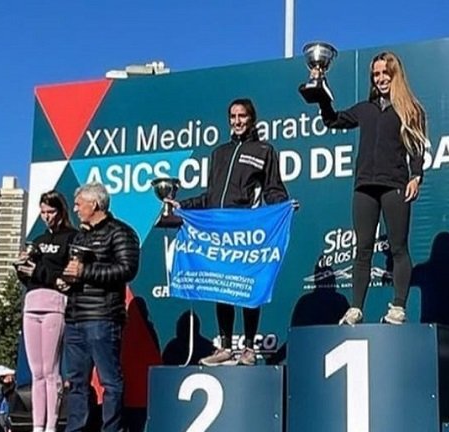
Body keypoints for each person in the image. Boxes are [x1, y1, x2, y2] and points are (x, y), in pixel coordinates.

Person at [170, 98, 290, 366]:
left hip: (245, 228)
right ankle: (224, 346)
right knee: (221, 286)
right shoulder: (218, 153)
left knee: (248, 286)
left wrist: (283, 205)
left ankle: (248, 347)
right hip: (218, 229)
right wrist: (183, 205)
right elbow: (210, 196)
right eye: (233, 116)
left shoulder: (263, 150)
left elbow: (272, 188)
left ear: (252, 119)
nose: (237, 121)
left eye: (242, 116)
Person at [315, 51, 428, 325]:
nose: (380, 79)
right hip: (364, 186)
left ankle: (398, 307)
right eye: (375, 75)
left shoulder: (410, 109)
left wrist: (416, 176)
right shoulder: (365, 109)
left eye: (384, 74)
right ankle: (356, 308)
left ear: (395, 75)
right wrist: (320, 95)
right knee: (362, 249)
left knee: (399, 247)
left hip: (395, 185)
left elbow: (417, 149)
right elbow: (332, 120)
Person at [40, 182, 140, 432]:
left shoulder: (121, 232)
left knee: (110, 380)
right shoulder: (80, 237)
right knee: (75, 381)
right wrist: (65, 281)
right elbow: (74, 271)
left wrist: (85, 271)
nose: (74, 209)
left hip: (103, 316)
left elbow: (126, 269)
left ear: (94, 205)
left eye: (78, 204)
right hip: (75, 316)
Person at [10, 191, 77, 432]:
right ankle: (37, 429)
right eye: (43, 212)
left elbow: (64, 278)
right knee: (36, 372)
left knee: (51, 371)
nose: (47, 216)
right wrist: (22, 268)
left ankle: (51, 430)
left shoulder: (70, 238)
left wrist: (38, 271)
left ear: (61, 211)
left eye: (51, 211)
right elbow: (31, 277)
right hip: (32, 303)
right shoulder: (37, 241)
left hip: (54, 304)